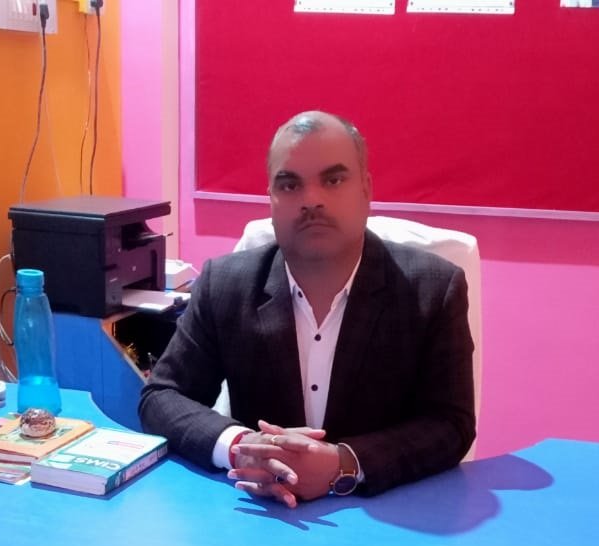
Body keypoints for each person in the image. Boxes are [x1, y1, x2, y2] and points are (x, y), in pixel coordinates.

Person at [138, 110, 475, 507]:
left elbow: (450, 424)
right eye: (290, 184)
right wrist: (242, 447)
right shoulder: (225, 284)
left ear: (366, 189)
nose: (311, 200)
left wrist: (344, 463)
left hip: (385, 517)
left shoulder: (432, 289)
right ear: (271, 199)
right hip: (261, 516)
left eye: (333, 180)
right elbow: (161, 396)